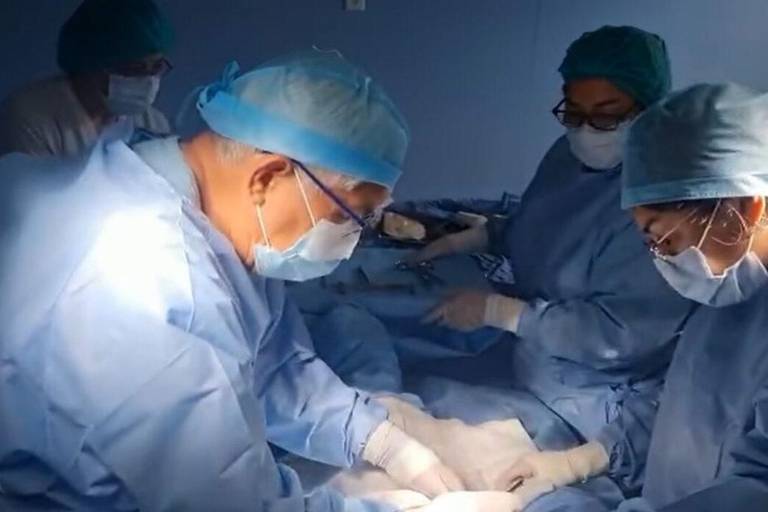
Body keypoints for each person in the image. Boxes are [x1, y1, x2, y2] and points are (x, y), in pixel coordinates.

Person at [0, 51, 552, 511]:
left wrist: (381, 439)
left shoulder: (192, 205)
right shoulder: (149, 284)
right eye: (351, 215)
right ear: (266, 178)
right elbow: (227, 502)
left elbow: (270, 362)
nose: (354, 239)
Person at [410, 26, 694, 494]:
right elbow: (544, 221)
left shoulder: (657, 203)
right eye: (574, 113)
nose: (586, 130)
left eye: (607, 115)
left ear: (649, 109)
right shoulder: (568, 153)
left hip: (596, 400)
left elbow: (620, 334)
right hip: (535, 364)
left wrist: (504, 313)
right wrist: (482, 236)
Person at [508, 82, 768, 511]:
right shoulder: (727, 284)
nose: (664, 261)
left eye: (664, 239)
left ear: (748, 209)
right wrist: (584, 460)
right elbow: (684, 401)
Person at [0, 0, 173, 158]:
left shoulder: (153, 124)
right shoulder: (30, 120)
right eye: (133, 69)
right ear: (89, 64)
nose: (148, 79)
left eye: (157, 66)